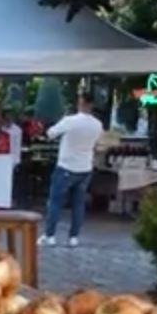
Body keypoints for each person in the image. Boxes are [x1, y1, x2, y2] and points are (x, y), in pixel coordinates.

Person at [38, 92, 104, 248]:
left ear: (80, 103)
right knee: (78, 203)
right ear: (92, 105)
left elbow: (50, 133)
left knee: (55, 202)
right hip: (85, 167)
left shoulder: (70, 121)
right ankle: (74, 237)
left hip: (66, 166)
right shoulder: (97, 124)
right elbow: (98, 144)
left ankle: (50, 235)